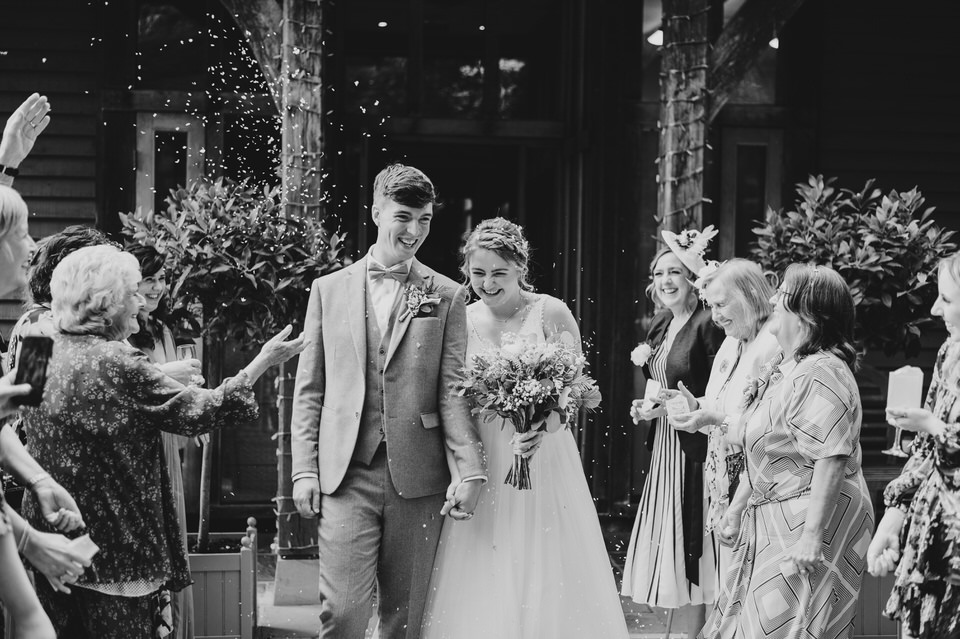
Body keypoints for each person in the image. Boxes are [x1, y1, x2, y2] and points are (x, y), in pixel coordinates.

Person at [20, 244, 305, 638]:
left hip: (48, 546)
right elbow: (203, 409)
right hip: (114, 554)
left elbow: (17, 428)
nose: (141, 301)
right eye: (133, 292)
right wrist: (262, 361)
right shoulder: (119, 362)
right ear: (107, 303)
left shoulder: (36, 347)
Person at [290, 163, 486, 639]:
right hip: (345, 474)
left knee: (405, 617)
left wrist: (471, 468)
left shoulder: (446, 295)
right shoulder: (328, 290)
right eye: (403, 216)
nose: (414, 231)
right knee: (343, 612)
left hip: (418, 478)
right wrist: (304, 469)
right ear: (376, 211)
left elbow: (453, 391)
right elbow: (310, 388)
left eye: (425, 219)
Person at [420, 217, 629, 639]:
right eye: (478, 273)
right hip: (485, 457)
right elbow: (454, 396)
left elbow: (580, 393)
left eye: (499, 273)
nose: (488, 283)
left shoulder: (550, 311)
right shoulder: (461, 315)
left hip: (543, 455)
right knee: (484, 558)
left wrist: (544, 425)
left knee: (544, 555)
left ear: (520, 267)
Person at [701, 264, 874, 639]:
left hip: (811, 519)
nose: (774, 298)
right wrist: (736, 508)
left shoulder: (823, 370)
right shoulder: (786, 365)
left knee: (781, 629)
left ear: (809, 314)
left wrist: (811, 536)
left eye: (784, 294)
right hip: (772, 516)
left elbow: (831, 455)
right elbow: (766, 446)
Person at [622, 228, 724, 637]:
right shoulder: (661, 323)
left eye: (675, 273)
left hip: (695, 447)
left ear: (692, 280)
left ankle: (697, 629)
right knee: (672, 537)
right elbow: (656, 383)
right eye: (660, 273)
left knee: (694, 536)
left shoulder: (707, 324)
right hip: (666, 446)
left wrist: (677, 405)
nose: (665, 280)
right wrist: (647, 410)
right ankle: (678, 628)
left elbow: (718, 389)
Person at [667, 259, 780, 593]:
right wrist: (697, 407)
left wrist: (713, 418)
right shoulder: (732, 341)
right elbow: (721, 404)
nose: (714, 316)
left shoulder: (774, 343)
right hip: (723, 475)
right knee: (729, 581)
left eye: (720, 305)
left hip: (759, 480)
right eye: (710, 306)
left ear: (749, 295)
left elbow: (767, 424)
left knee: (751, 582)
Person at [867, 251, 960, 639]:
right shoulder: (949, 354)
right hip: (933, 533)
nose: (937, 309)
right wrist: (893, 517)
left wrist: (936, 425)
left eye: (948, 299)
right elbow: (924, 451)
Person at [127, 243, 199, 639]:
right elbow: (33, 396)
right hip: (135, 453)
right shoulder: (44, 329)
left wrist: (193, 408)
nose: (156, 287)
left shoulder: (160, 329)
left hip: (164, 445)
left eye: (160, 278)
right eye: (147, 277)